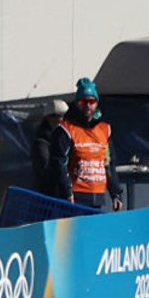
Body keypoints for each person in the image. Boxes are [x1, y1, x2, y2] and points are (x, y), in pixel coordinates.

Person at [49, 78, 123, 210]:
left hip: (98, 195)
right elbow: (59, 162)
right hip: (75, 196)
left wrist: (115, 193)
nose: (88, 105)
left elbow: (109, 164)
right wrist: (66, 191)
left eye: (91, 101)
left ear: (96, 103)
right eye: (83, 101)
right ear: (77, 103)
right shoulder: (66, 129)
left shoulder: (104, 130)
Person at [31, 99, 67, 195]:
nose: (64, 120)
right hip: (52, 197)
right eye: (61, 116)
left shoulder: (66, 139)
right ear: (49, 118)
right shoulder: (41, 144)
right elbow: (47, 173)